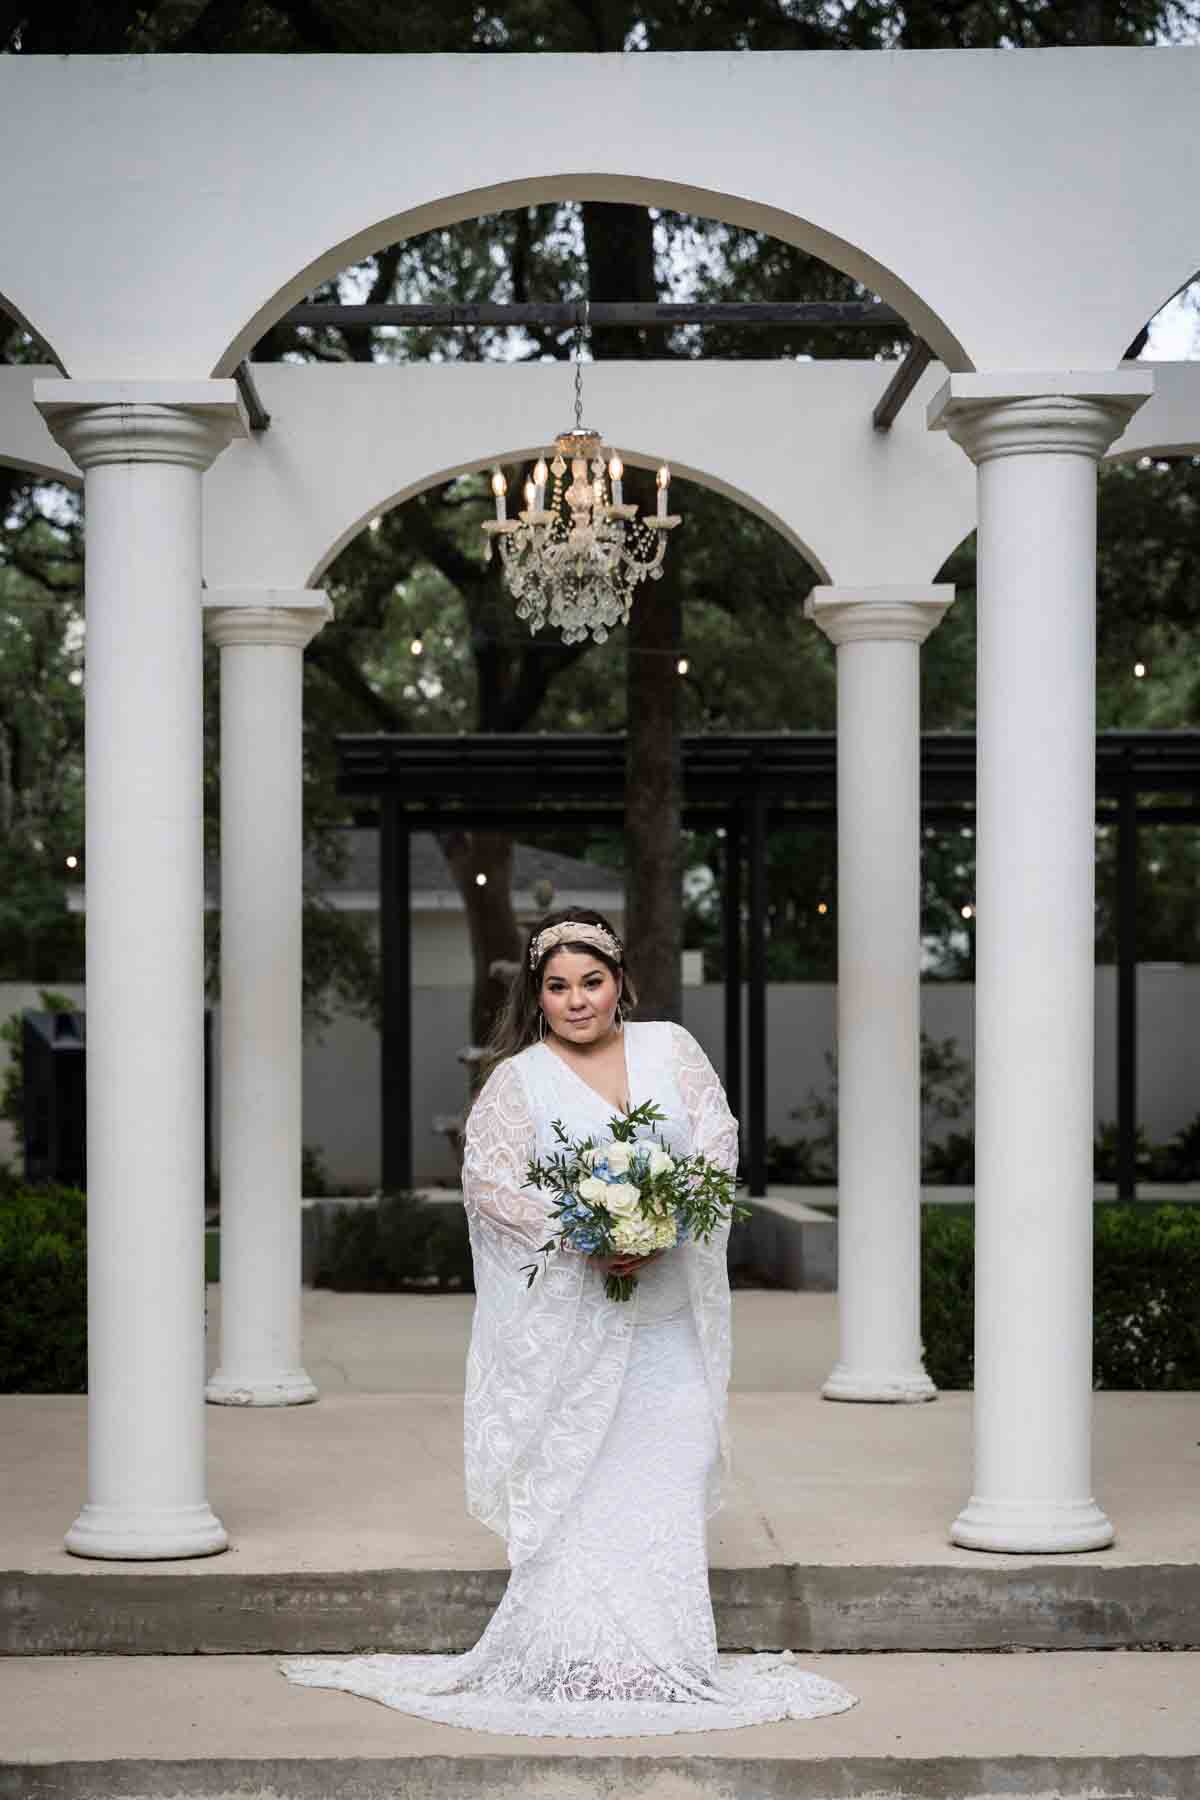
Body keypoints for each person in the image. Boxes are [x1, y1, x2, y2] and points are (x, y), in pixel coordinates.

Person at [280, 908, 858, 1736]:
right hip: (577, 1316)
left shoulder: (670, 1049)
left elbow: (718, 1143)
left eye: (591, 982)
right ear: (538, 995)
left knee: (670, 1460)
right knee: (586, 1477)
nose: (577, 1001)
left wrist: (660, 1223)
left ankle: (668, 1655)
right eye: (558, 987)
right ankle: (584, 1654)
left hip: (668, 1314)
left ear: (619, 982)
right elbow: (489, 1182)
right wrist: (585, 1231)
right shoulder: (520, 1079)